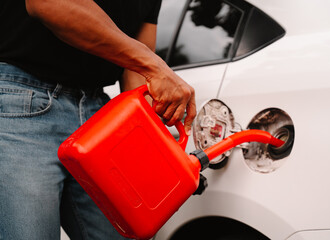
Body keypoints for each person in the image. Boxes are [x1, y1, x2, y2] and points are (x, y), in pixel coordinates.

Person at [0, 0, 196, 239]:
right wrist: (156, 67)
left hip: (98, 113)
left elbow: (135, 66)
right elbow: (49, 3)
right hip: (20, 99)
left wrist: (147, 146)